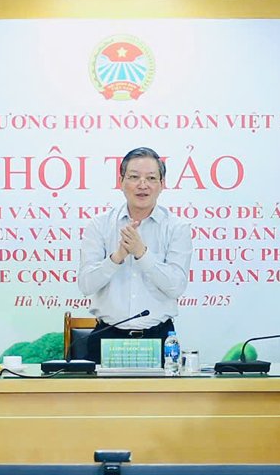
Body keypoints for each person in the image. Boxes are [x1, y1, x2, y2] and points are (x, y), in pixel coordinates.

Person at [76, 147, 194, 350]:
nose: (142, 185)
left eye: (151, 178)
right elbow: (86, 285)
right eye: (134, 177)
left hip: (159, 337)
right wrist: (117, 256)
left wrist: (142, 253)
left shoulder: (177, 228)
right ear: (121, 182)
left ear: (162, 184)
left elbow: (176, 286)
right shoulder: (99, 225)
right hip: (106, 336)